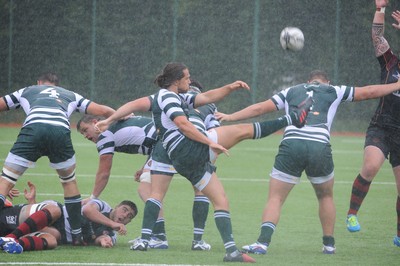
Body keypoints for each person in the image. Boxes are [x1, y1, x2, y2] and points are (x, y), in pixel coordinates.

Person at [95, 62, 312, 263]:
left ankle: (231, 252)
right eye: (187, 78)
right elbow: (183, 125)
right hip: (188, 147)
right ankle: (292, 118)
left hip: (182, 159)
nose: (189, 82)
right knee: (243, 130)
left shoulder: (172, 97)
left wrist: (229, 87)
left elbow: (206, 96)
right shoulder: (168, 98)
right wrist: (210, 142)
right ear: (176, 80)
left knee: (220, 199)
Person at [215, 69, 400, 255]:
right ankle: (329, 245)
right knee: (325, 196)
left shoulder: (291, 91)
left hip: (292, 144)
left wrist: (230, 117)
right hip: (319, 146)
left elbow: (259, 108)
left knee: (276, 198)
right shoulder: (334, 90)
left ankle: (262, 243)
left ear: (308, 81)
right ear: (327, 81)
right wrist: (396, 85)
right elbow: (369, 92)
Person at [0, 72, 115, 245]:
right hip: (60, 132)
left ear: (39, 82)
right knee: (69, 182)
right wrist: (124, 117)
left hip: (34, 129)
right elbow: (104, 111)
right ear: (58, 85)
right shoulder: (70, 94)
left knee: (7, 180)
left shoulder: (28, 90)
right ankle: (76, 236)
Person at [77, 114, 212, 250]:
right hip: (169, 142)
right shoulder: (114, 125)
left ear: (95, 122)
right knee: (198, 187)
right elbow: (152, 140)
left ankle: (159, 236)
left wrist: (93, 197)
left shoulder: (104, 135)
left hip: (167, 144)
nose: (85, 136)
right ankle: (184, 239)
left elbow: (104, 172)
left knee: (146, 190)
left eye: (85, 130)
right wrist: (144, 167)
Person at [345, 0, 400, 247]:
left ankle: (399, 235)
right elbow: (377, 36)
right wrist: (380, 9)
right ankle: (352, 214)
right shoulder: (391, 63)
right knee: (370, 167)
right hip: (381, 127)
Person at [0, 181, 138, 253]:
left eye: (129, 216)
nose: (124, 215)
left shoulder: (112, 236)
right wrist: (112, 224)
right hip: (57, 213)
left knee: (53, 239)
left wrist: (104, 241)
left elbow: (101, 239)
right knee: (54, 210)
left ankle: (11, 243)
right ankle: (11, 237)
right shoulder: (103, 206)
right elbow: (88, 210)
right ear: (117, 206)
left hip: (56, 231)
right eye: (124, 210)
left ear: (129, 222)